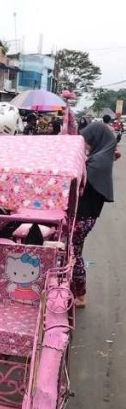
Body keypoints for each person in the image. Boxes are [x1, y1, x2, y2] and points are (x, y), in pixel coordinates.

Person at [72, 121, 119, 308]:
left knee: (73, 255)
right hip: (87, 214)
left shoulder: (96, 163)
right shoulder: (101, 156)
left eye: (88, 141)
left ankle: (81, 296)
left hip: (84, 215)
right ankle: (75, 290)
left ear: (96, 140)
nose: (85, 145)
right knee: (74, 253)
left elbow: (79, 177)